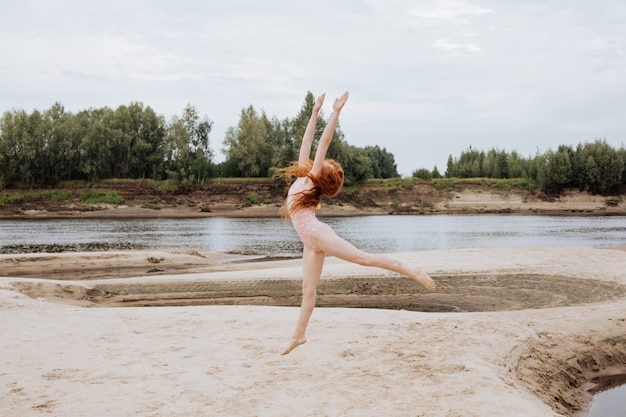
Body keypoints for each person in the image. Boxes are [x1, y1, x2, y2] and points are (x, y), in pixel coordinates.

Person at [276, 91, 436, 355]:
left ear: (321, 174)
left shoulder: (311, 179)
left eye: (323, 164)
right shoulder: (306, 177)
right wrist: (315, 112)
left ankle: (411, 269)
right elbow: (307, 140)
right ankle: (299, 335)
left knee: (363, 259)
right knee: (308, 289)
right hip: (309, 241)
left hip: (317, 234)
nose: (321, 161)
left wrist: (336, 113)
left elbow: (323, 143)